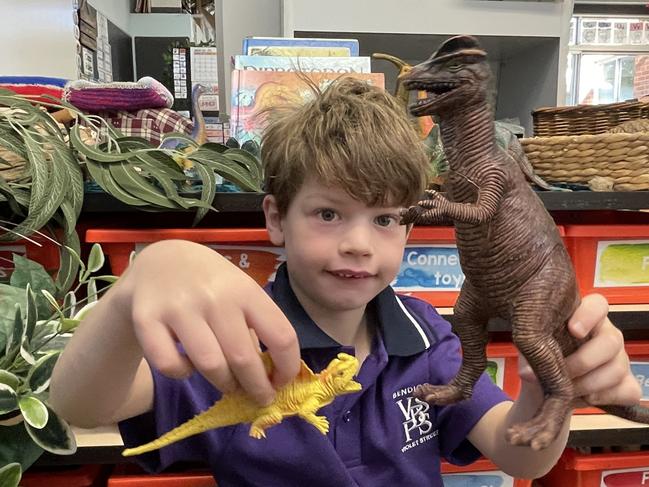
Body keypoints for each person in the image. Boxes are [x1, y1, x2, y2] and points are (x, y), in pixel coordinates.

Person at [49, 78, 641, 486]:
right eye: (329, 213)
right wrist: (131, 293)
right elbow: (78, 404)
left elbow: (520, 455)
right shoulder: (231, 343)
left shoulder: (427, 337)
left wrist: (548, 392)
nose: (359, 243)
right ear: (277, 218)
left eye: (385, 219)